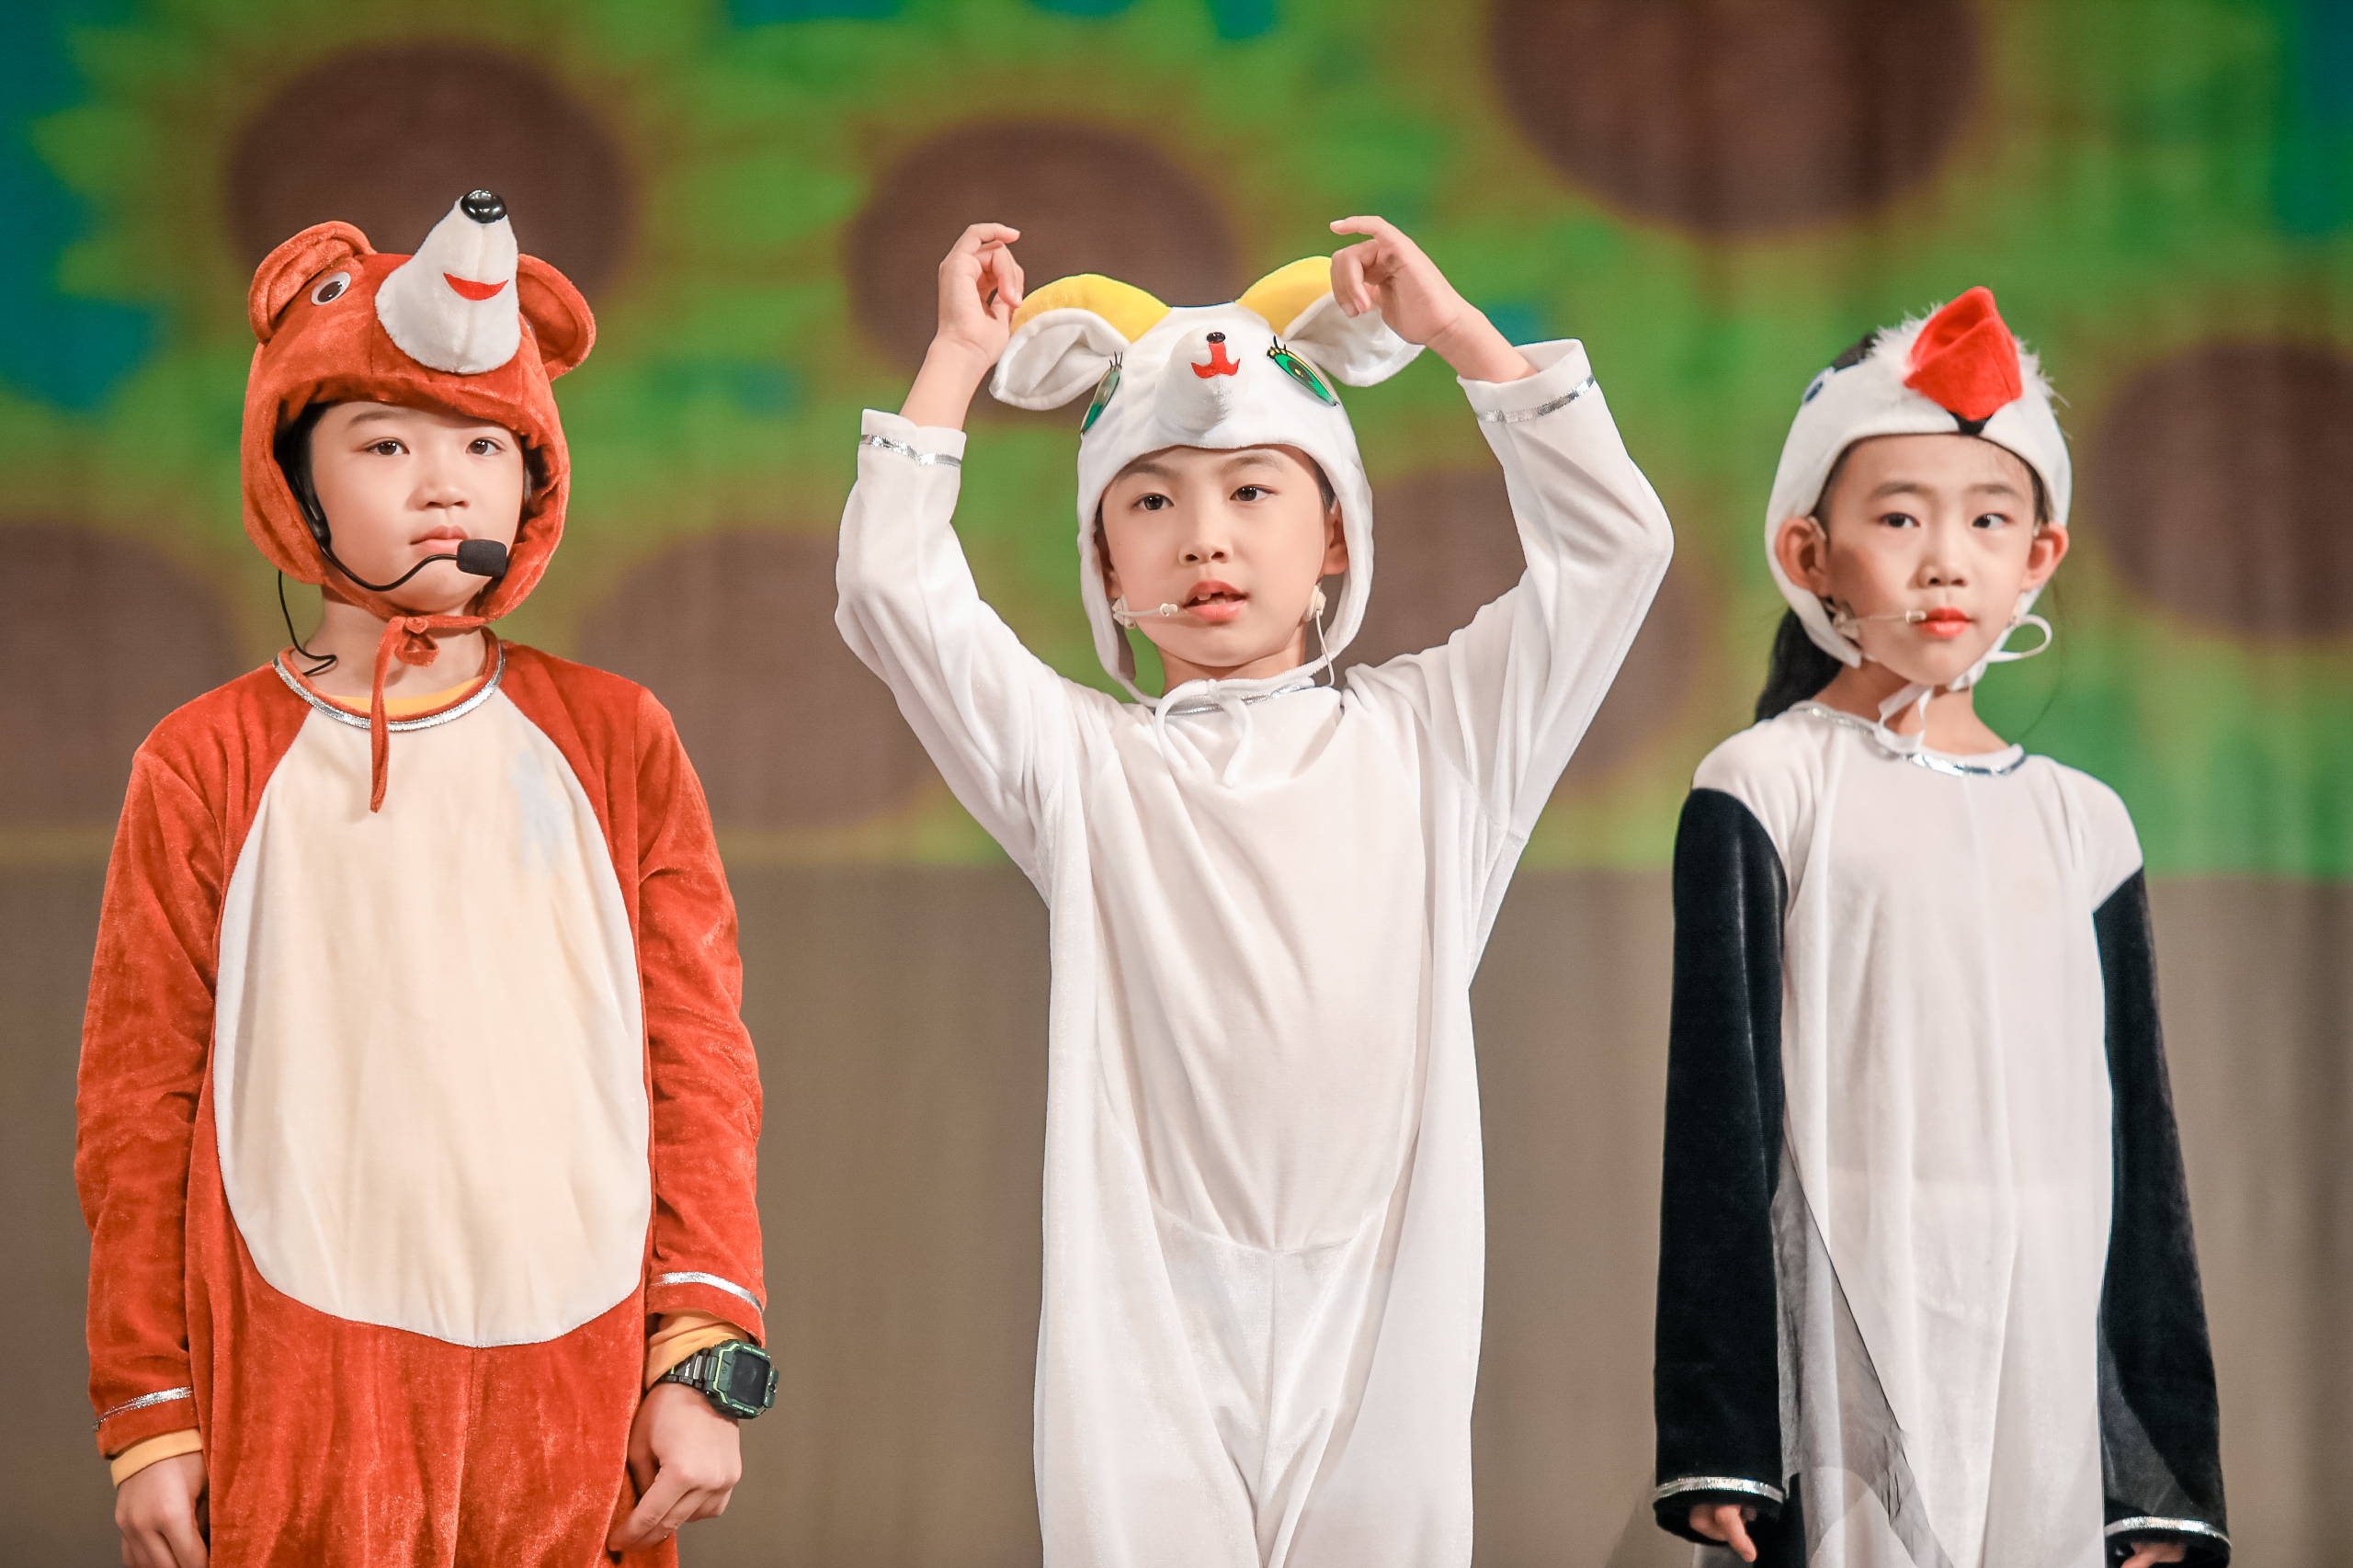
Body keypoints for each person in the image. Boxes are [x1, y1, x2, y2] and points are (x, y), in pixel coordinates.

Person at [835, 217, 1672, 1567]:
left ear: (1335, 533)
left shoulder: (1439, 744)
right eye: (1150, 503)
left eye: (1252, 491)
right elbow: (893, 593)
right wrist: (954, 362)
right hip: (1144, 1316)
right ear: (1106, 566)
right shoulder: (1085, 769)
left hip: (1383, 1306)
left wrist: (1459, 335)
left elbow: (1613, 552)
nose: (1203, 539)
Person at [78, 192, 772, 1568]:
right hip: (293, 1377)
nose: (443, 483)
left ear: (535, 480)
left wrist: (702, 1357)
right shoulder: (204, 761)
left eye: (483, 444)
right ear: (294, 474)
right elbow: (137, 1107)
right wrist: (150, 1407)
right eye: (385, 442)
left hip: (578, 1368)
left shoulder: (617, 739)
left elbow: (699, 1056)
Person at [1650, 289, 2227, 1568]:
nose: (1945, 560)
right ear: (1809, 552)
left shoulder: (2084, 822)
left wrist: (2156, 1470)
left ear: (2041, 555)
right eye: (1900, 517)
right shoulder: (1766, 785)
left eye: (1988, 519)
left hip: (2043, 1313)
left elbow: (2142, 1153)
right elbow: (1719, 1125)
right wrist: (1723, 1425)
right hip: (1851, 1307)